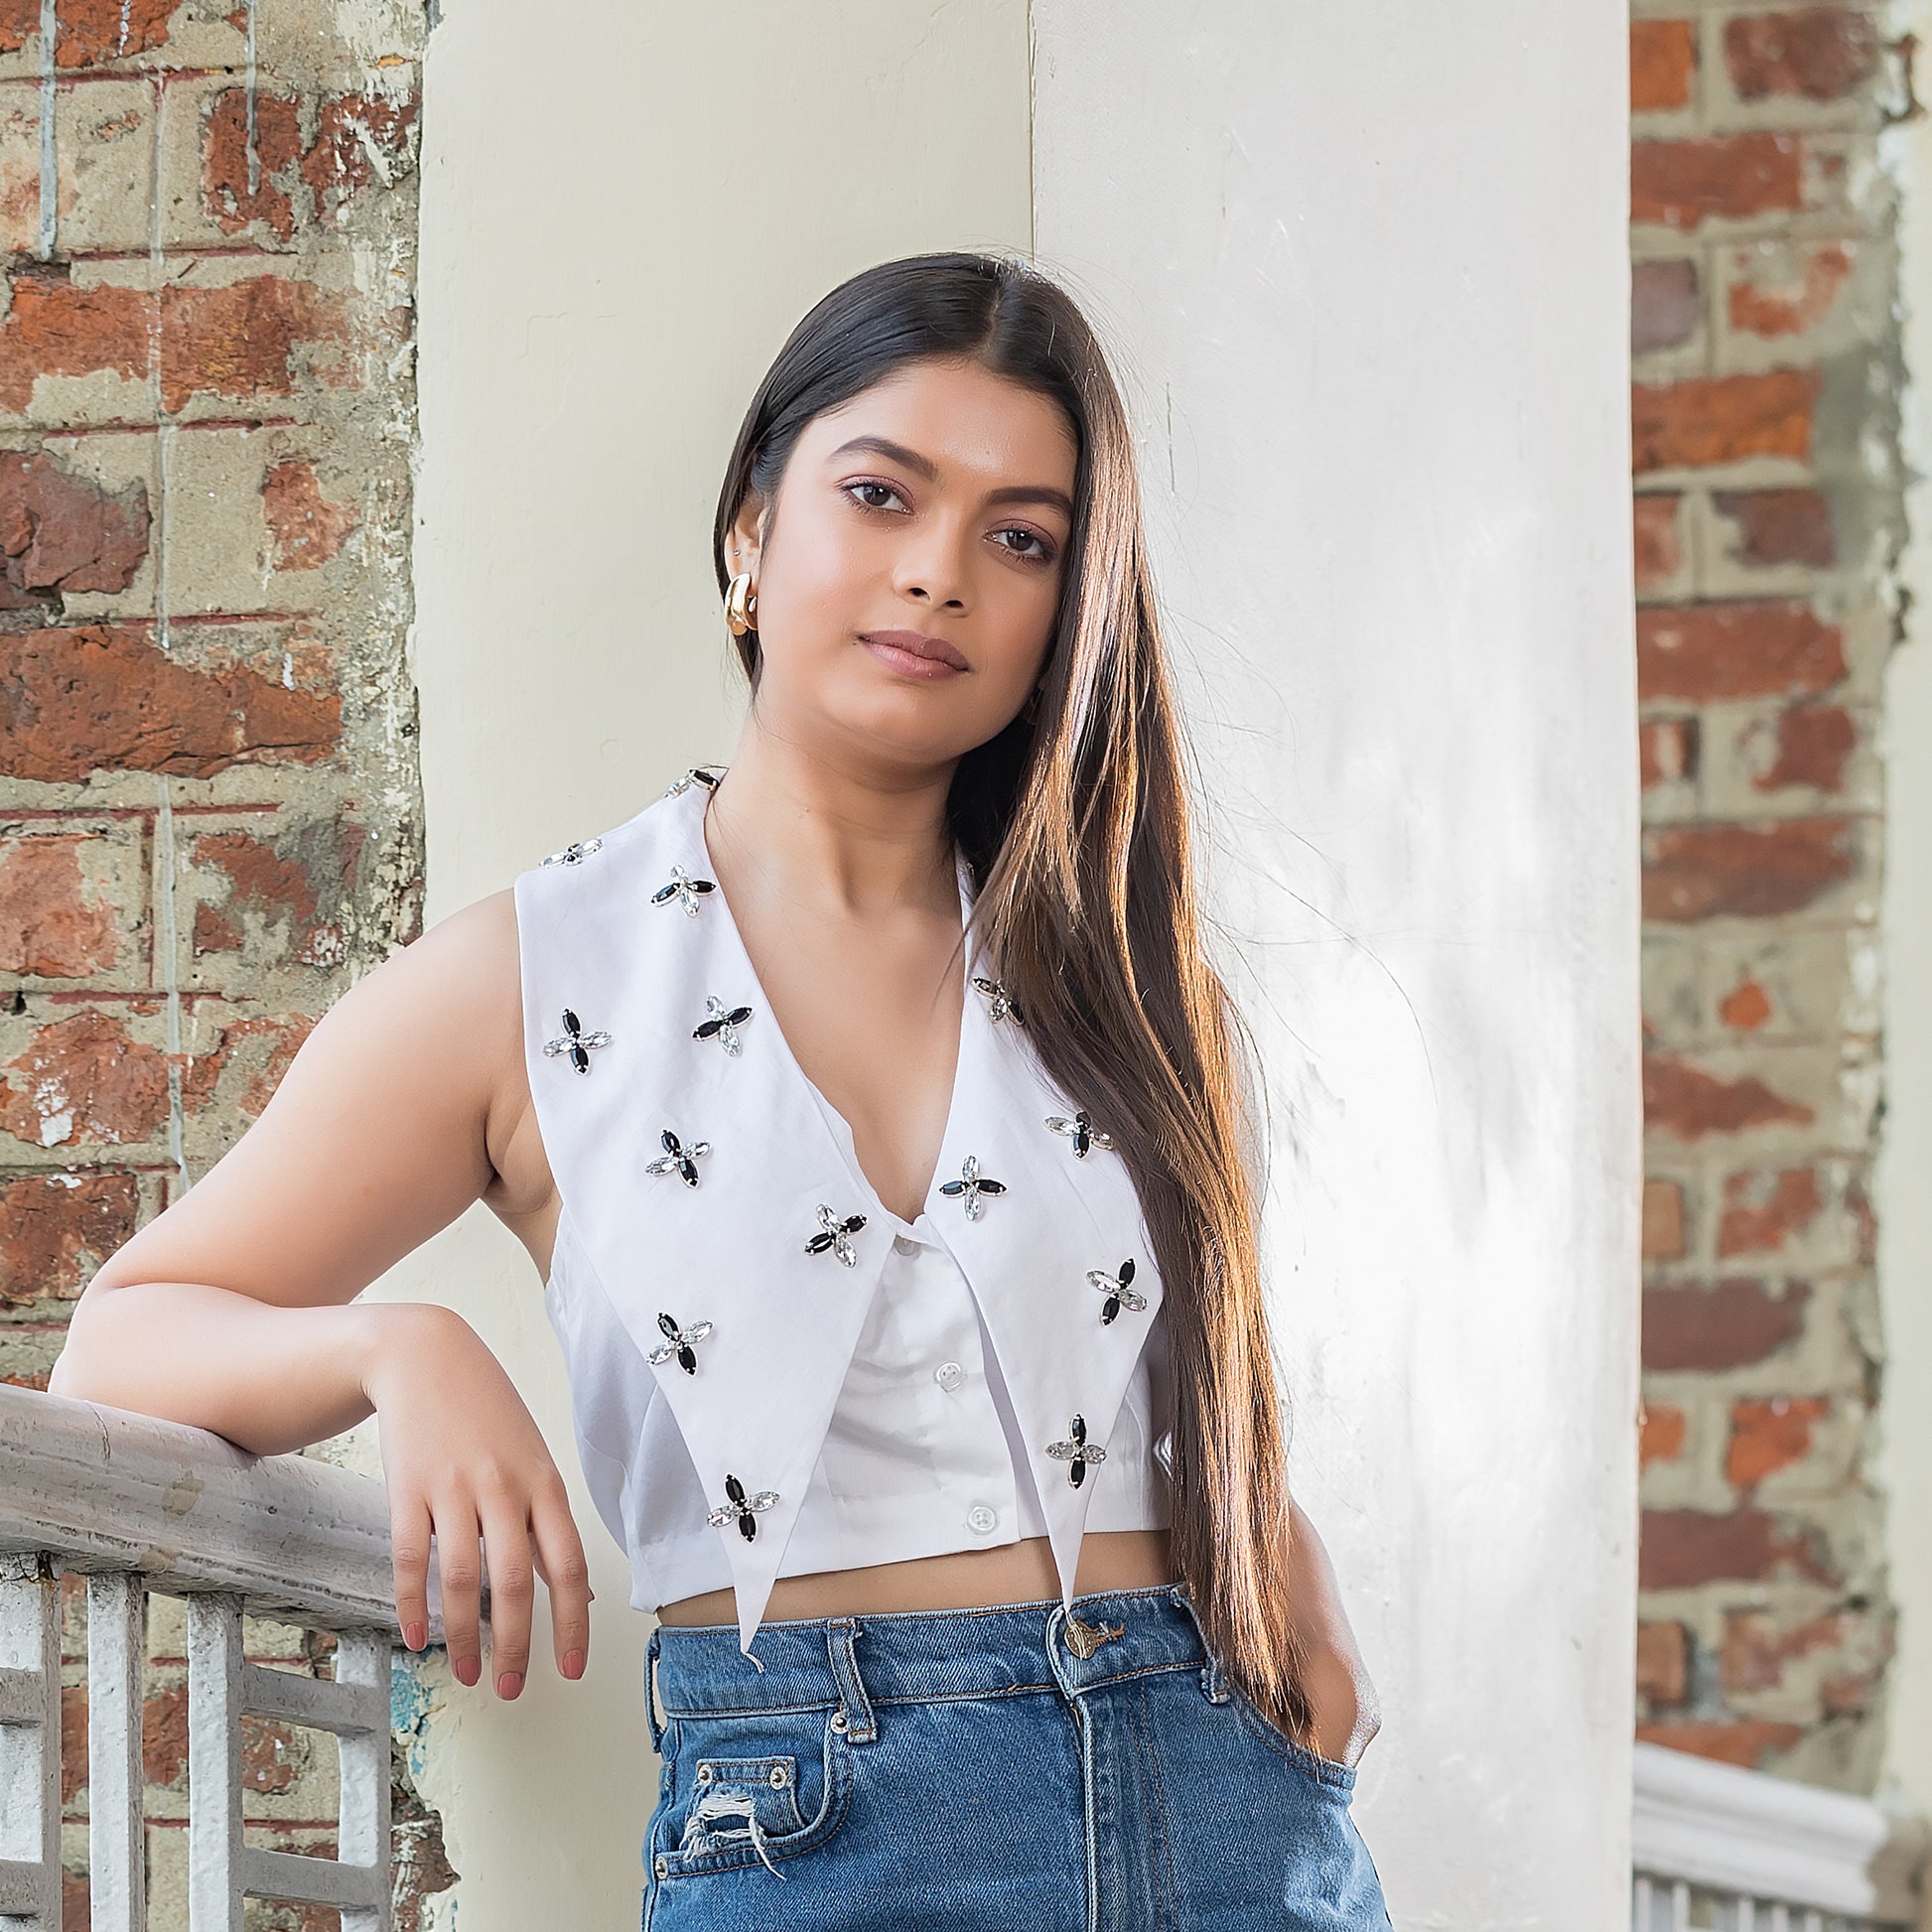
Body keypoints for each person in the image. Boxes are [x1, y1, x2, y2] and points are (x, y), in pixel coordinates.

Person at [51, 251, 1391, 1928]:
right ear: (750, 531)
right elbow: (124, 1335)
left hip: (1221, 1802)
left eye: (1020, 536)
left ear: (1067, 604)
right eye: (880, 494)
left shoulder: (1123, 977)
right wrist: (403, 1348)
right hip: (814, 1815)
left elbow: (1175, 1399)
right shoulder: (538, 974)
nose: (938, 575)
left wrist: (1287, 1574)